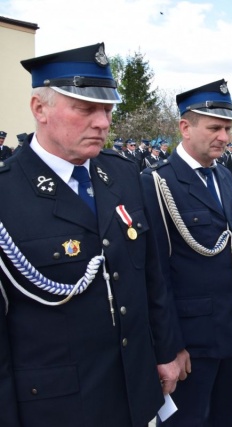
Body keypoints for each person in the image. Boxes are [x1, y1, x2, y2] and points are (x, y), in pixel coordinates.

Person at [0, 42, 187, 427]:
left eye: (107, 110)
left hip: (132, 392)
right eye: (85, 109)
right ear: (39, 109)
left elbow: (151, 275)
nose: (102, 123)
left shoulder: (121, 173)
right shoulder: (7, 192)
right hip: (56, 406)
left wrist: (167, 350)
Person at [140, 79, 232, 427]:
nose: (224, 136)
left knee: (223, 418)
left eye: (228, 128)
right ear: (185, 127)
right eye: (214, 128)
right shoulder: (156, 182)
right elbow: (155, 273)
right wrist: (169, 346)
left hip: (229, 329)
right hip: (190, 341)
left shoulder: (223, 176)